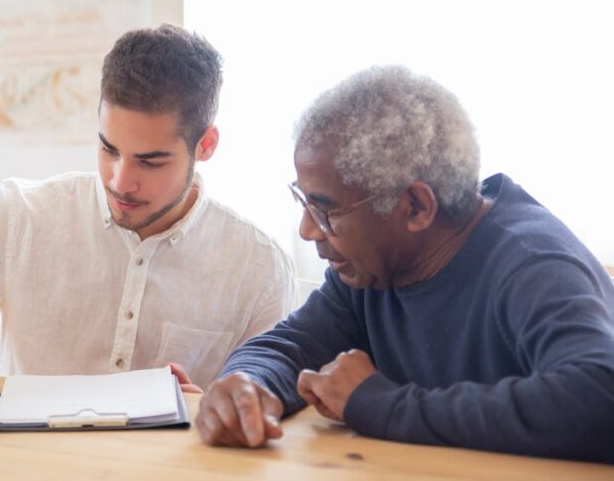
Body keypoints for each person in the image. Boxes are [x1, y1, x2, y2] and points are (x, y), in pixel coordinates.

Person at [0, 24, 296, 395]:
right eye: (108, 148)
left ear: (206, 145)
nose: (120, 181)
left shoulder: (258, 266)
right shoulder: (24, 218)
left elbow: (265, 403)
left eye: (150, 161)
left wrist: (213, 411)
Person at [196, 65, 614, 463]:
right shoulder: (370, 270)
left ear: (416, 207)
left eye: (326, 211)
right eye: (304, 202)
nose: (308, 230)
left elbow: (599, 398)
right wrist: (249, 384)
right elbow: (292, 345)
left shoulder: (532, 264)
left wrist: (378, 404)